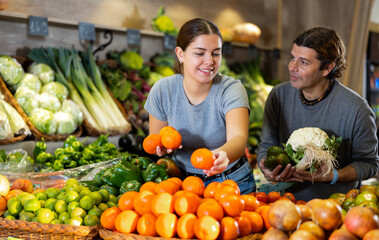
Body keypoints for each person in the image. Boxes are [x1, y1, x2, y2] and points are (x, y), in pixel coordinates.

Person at [257, 26, 379, 201]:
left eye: (303, 62)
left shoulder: (357, 109)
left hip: (336, 208)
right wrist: (266, 166)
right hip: (285, 203)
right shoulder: (278, 95)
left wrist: (333, 175)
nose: (292, 67)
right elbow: (267, 144)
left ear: (327, 68)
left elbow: (369, 164)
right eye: (292, 58)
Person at [144, 18, 255, 194]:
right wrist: (162, 149)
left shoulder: (231, 89)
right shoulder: (163, 90)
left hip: (231, 181)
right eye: (199, 53)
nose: (209, 61)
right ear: (180, 54)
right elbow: (156, 138)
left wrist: (222, 155)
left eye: (216, 53)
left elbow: (238, 140)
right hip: (183, 183)